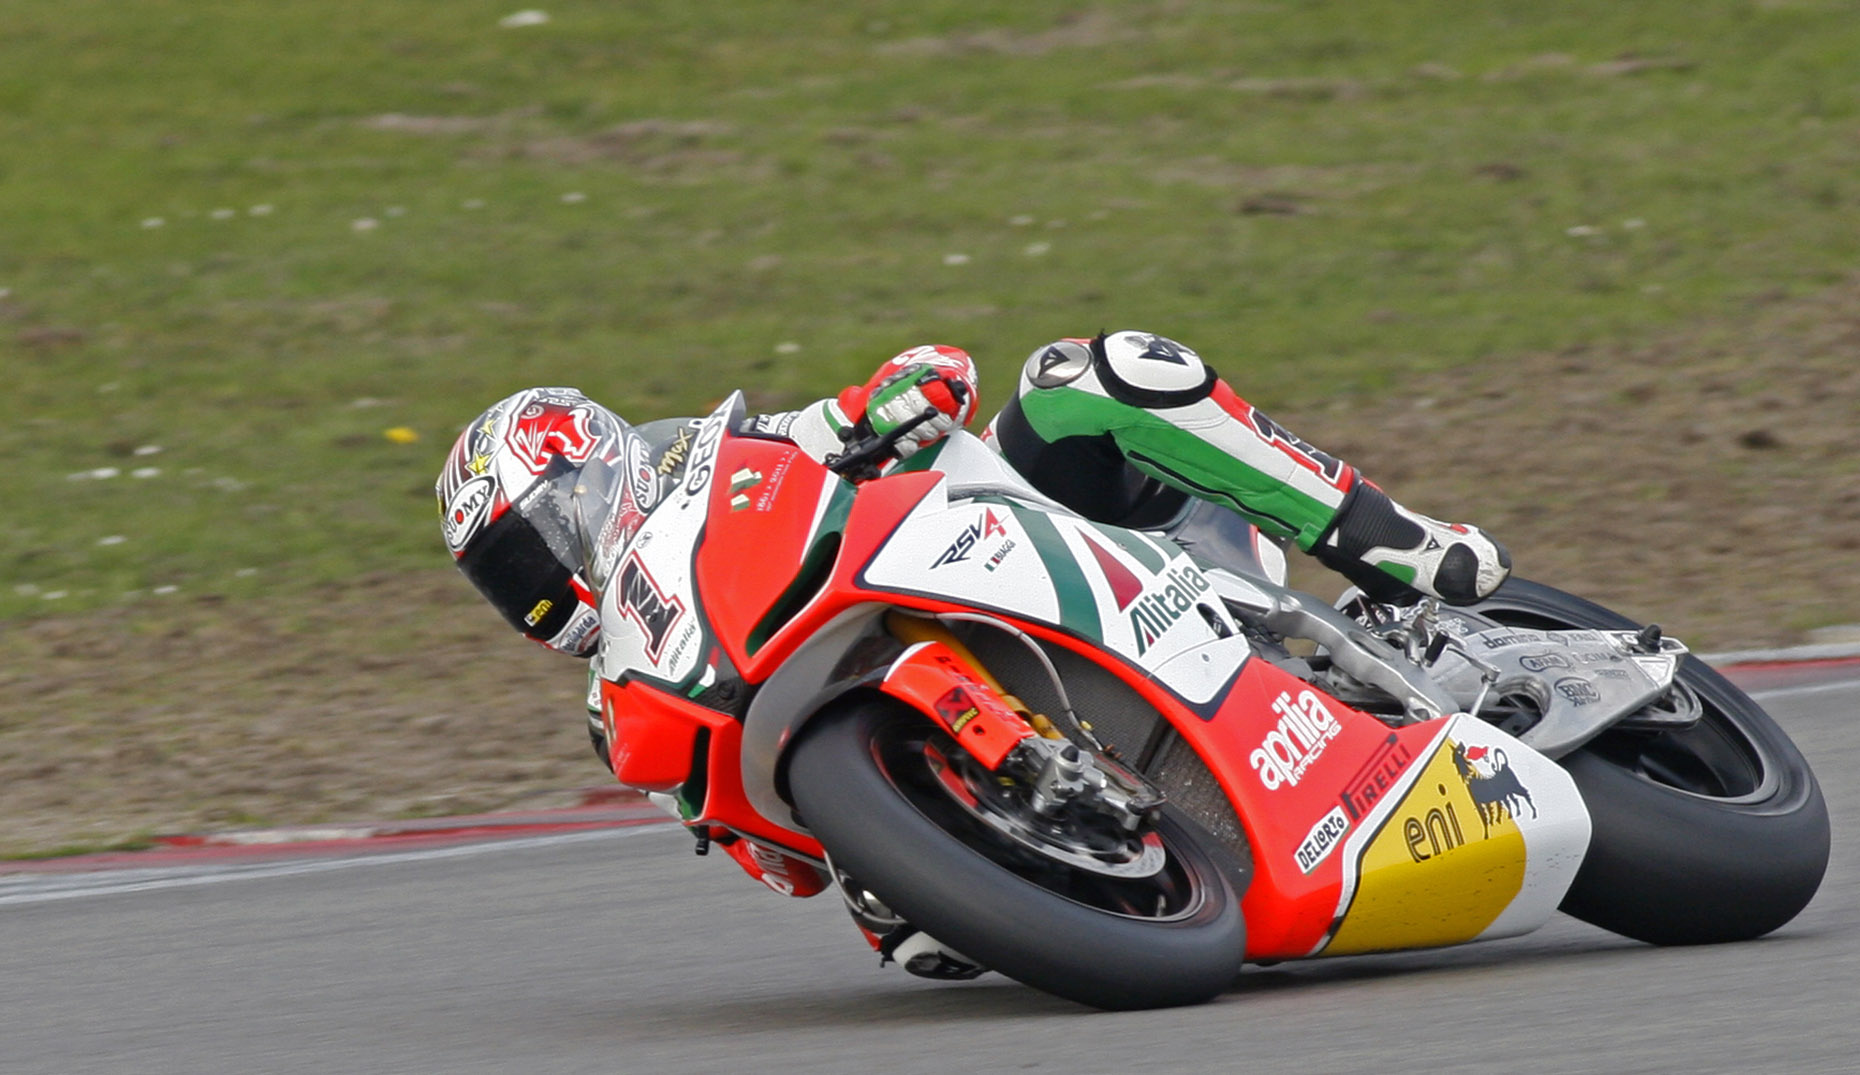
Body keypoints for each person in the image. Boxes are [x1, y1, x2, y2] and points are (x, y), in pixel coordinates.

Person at [434, 331, 1510, 977]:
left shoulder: (737, 453)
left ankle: (1396, 543)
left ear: (588, 472)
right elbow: (773, 859)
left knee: (1089, 376)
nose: (535, 590)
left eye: (532, 547)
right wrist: (860, 866)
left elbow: (919, 380)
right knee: (924, 953)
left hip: (1037, 546)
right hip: (943, 720)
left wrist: (899, 394)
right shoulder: (625, 689)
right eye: (507, 582)